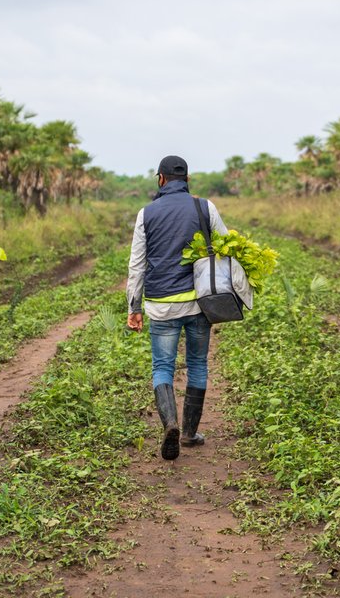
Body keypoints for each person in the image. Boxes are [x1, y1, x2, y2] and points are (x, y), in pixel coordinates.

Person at [126, 155, 228, 461]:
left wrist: (134, 306)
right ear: (187, 180)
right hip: (199, 303)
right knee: (197, 364)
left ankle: (169, 423)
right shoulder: (205, 207)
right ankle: (189, 433)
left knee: (162, 367)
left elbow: (137, 265)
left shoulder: (146, 213)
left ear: (160, 179)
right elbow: (226, 247)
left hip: (161, 305)